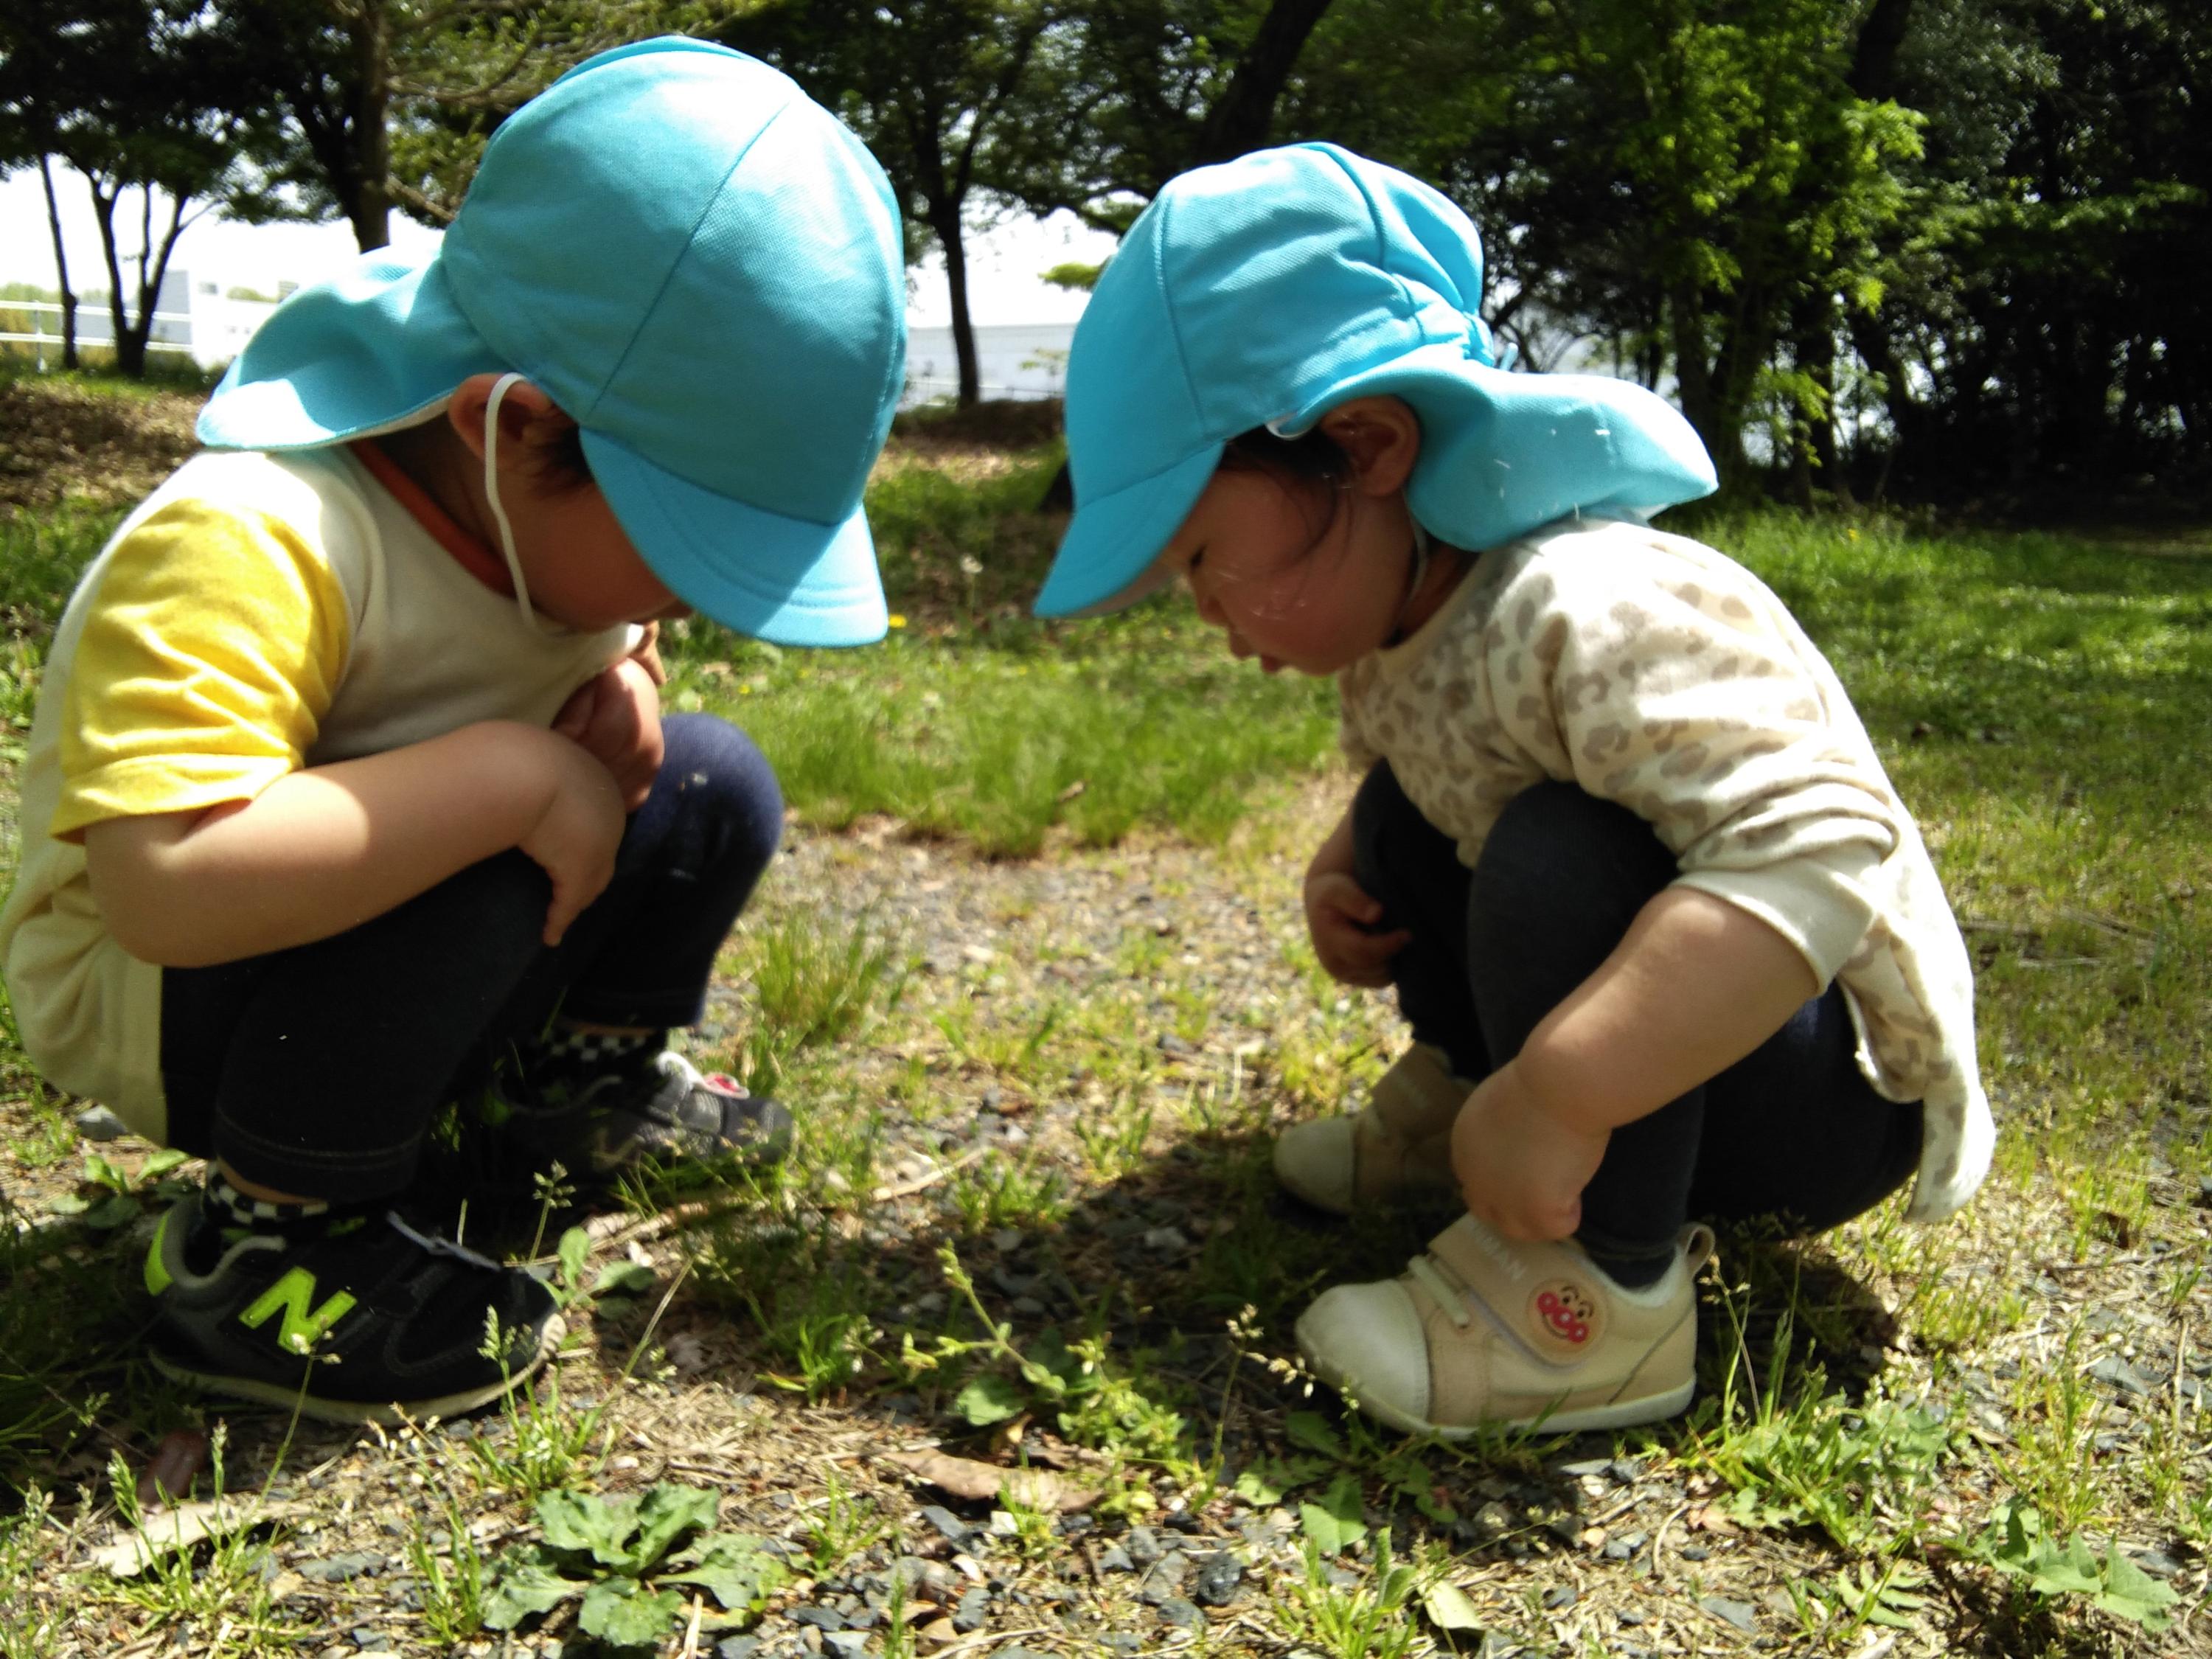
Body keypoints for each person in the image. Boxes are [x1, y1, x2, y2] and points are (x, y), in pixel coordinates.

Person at [0, 38, 908, 1425]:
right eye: (682, 550)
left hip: (387, 946)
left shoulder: (534, 512)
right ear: (518, 428)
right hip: (167, 993)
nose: (689, 597)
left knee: (713, 780)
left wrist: (637, 686)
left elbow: (619, 635)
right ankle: (272, 1241)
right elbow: (162, 883)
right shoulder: (260, 535)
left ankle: (570, 1088)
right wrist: (513, 775)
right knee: (486, 839)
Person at [1030, 144, 1993, 1438]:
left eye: (1204, 557)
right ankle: (1464, 1108)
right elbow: (1432, 777)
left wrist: (1563, 1093)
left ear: (1364, 444)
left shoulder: (1585, 603)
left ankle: (1598, 1298)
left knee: (1564, 843)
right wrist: (1345, 865)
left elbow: (1821, 855)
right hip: (1680, 1048)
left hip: (1812, 1091)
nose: (1208, 614)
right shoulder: (1401, 636)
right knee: (1402, 814)